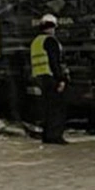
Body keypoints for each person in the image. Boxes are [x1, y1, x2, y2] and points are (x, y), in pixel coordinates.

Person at [30, 14, 68, 145]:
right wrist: (61, 79)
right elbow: (54, 62)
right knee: (57, 108)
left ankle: (47, 135)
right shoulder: (50, 41)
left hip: (40, 77)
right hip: (51, 77)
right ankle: (55, 136)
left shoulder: (36, 41)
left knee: (47, 107)